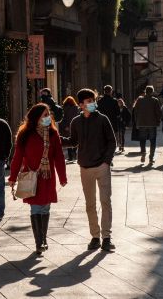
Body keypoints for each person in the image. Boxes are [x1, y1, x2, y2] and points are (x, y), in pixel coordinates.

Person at [61, 88, 117, 251]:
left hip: (102, 166)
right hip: (85, 168)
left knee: (105, 201)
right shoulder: (76, 122)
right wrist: (56, 139)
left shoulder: (103, 119)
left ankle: (106, 237)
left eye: (93, 100)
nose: (92, 103)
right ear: (81, 105)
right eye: (88, 101)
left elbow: (112, 141)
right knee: (90, 204)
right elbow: (73, 141)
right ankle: (95, 237)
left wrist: (106, 161)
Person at [8, 103, 67, 255]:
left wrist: (62, 176)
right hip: (31, 177)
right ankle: (38, 242)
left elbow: (59, 156)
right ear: (36, 118)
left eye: (49, 115)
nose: (48, 118)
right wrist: (12, 177)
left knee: (45, 207)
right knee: (35, 208)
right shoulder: (25, 134)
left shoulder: (53, 134)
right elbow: (17, 157)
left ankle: (43, 239)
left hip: (47, 177)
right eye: (45, 115)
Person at [132, 85, 162, 163]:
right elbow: (158, 112)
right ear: (152, 92)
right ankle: (151, 158)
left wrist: (136, 121)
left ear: (145, 91)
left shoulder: (139, 100)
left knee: (142, 139)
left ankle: (143, 152)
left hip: (142, 123)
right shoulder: (155, 100)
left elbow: (135, 111)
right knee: (153, 141)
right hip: (152, 123)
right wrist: (158, 120)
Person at [97, 85, 120, 151]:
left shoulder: (100, 101)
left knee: (104, 138)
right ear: (111, 91)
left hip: (102, 123)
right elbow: (118, 113)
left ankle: (105, 150)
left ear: (104, 91)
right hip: (112, 123)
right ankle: (110, 152)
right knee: (112, 139)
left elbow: (96, 111)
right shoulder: (114, 101)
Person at [59, 96, 80, 162]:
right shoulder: (76, 108)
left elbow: (62, 119)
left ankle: (70, 156)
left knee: (68, 139)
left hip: (66, 127)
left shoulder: (63, 108)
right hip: (74, 126)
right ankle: (74, 153)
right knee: (75, 138)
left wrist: (65, 126)